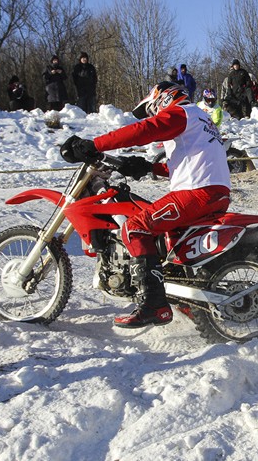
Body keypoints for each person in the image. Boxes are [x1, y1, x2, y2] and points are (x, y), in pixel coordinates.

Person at [59, 82, 232, 328]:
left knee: (134, 227)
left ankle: (154, 306)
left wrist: (94, 145)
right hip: (214, 193)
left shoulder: (182, 111)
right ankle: (187, 301)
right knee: (167, 241)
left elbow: (144, 130)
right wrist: (147, 167)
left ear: (163, 99)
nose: (153, 115)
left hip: (196, 193)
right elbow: (187, 162)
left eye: (152, 110)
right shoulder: (202, 121)